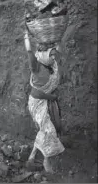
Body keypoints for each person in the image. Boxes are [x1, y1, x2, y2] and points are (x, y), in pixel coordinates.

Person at [24, 29, 64, 173]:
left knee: (45, 130)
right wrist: (26, 36)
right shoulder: (37, 67)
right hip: (38, 103)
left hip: (49, 102)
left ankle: (31, 157)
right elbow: (36, 92)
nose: (54, 57)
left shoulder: (51, 65)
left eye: (53, 54)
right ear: (42, 55)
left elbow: (58, 48)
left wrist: (58, 36)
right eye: (51, 55)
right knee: (49, 130)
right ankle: (47, 160)